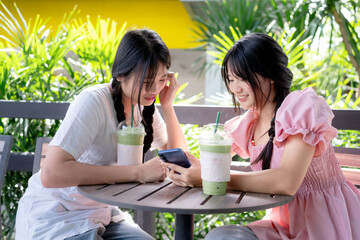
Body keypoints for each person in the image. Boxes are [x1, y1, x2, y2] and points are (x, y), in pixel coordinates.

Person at [163, 33, 360, 239]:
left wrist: (212, 178)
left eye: (243, 78)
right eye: (231, 80)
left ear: (270, 75)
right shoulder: (248, 125)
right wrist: (168, 108)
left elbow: (287, 181)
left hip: (326, 223)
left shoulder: (298, 109)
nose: (235, 88)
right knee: (220, 237)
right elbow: (195, 163)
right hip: (281, 226)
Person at [15, 29, 188, 240]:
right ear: (120, 74)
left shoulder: (142, 106)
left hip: (102, 215)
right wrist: (137, 172)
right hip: (56, 215)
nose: (154, 89)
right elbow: (51, 173)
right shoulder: (93, 101)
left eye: (161, 80)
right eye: (146, 81)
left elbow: (180, 160)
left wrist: (168, 105)